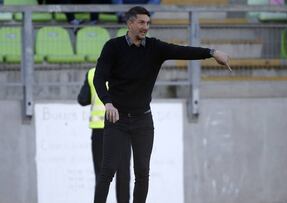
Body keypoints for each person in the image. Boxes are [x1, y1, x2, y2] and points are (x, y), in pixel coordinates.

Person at [93, 6, 230, 203]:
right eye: (141, 22)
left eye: (148, 23)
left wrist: (212, 52)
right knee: (107, 171)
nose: (145, 27)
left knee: (142, 172)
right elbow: (99, 79)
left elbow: (182, 51)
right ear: (130, 23)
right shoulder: (112, 47)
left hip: (143, 120)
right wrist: (107, 103)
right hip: (118, 119)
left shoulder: (155, 48)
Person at [77, 67, 128, 203]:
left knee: (101, 174)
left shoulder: (92, 73)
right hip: (121, 130)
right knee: (123, 174)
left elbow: (82, 99)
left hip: (99, 131)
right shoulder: (125, 70)